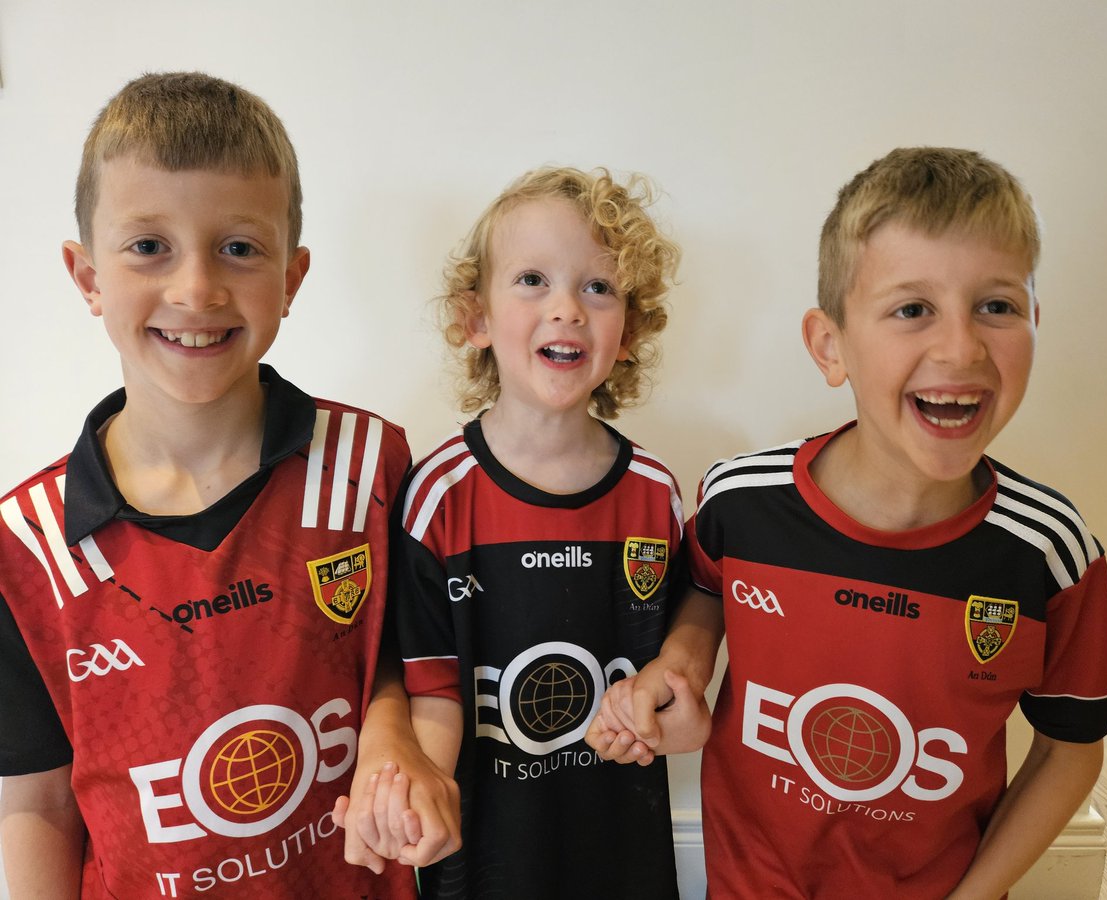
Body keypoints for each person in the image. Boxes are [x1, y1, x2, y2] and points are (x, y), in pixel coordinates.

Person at [587, 147, 1107, 899]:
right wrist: (680, 666)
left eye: (996, 306)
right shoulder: (739, 500)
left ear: (1035, 320)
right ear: (829, 345)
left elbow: (1072, 749)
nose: (961, 347)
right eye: (913, 309)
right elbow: (709, 593)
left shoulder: (1051, 555)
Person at [0, 71, 455, 899]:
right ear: (86, 276)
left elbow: (403, 664)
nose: (196, 289)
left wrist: (395, 736)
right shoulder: (23, 546)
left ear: (293, 275)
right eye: (148, 247)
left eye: (239, 247)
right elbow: (34, 805)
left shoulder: (371, 465)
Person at [340, 167, 686, 899]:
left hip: (621, 847)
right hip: (487, 857)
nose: (567, 309)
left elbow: (674, 678)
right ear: (477, 320)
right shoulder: (437, 495)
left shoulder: (656, 496)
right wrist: (419, 790)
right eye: (533, 279)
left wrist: (658, 709)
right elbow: (433, 692)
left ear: (629, 331)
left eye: (599, 287)